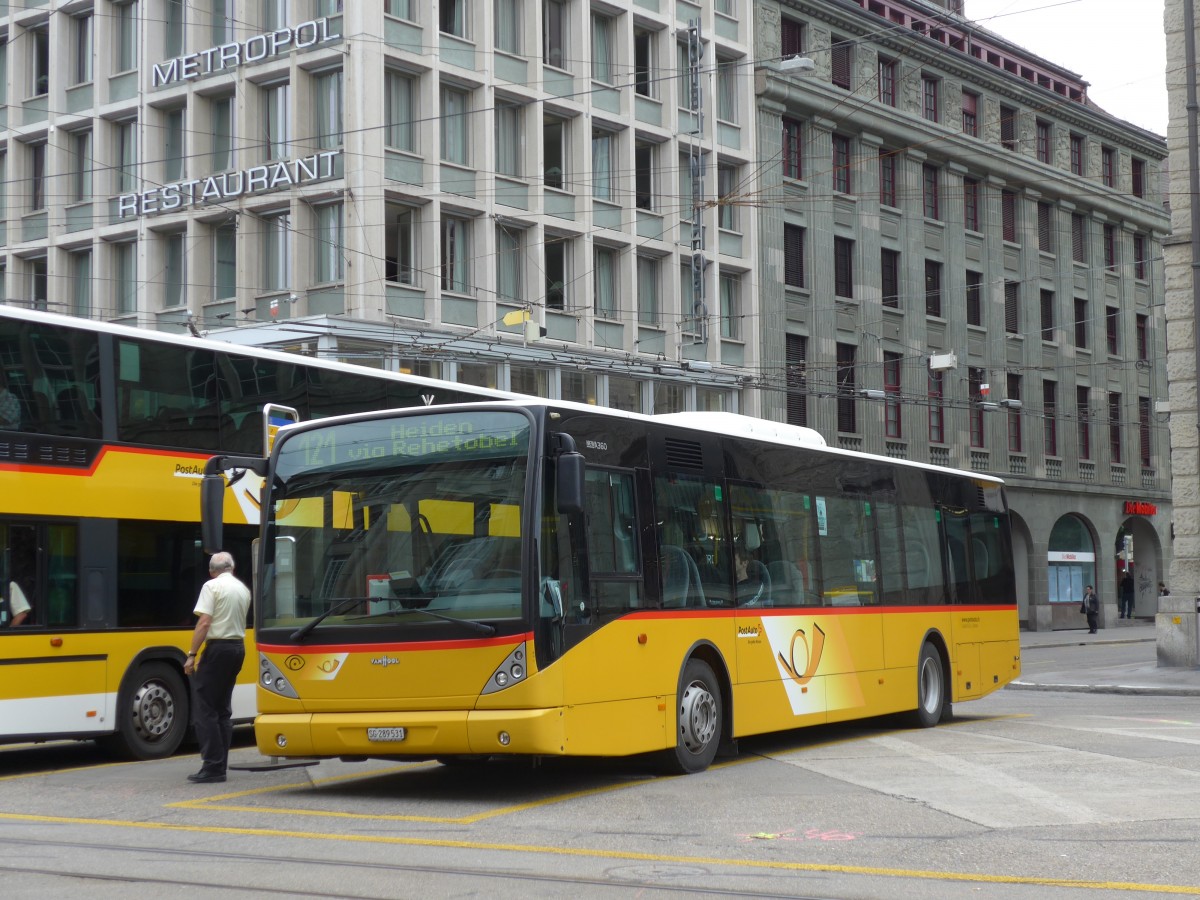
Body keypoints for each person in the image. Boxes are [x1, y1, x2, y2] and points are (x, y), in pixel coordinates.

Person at [184, 551, 251, 784]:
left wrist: (192, 654)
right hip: (237, 648)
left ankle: (212, 766)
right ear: (232, 568)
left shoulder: (211, 587)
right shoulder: (243, 590)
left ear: (212, 570)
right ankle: (220, 764)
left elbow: (204, 622)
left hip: (218, 648)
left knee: (205, 707)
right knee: (222, 708)